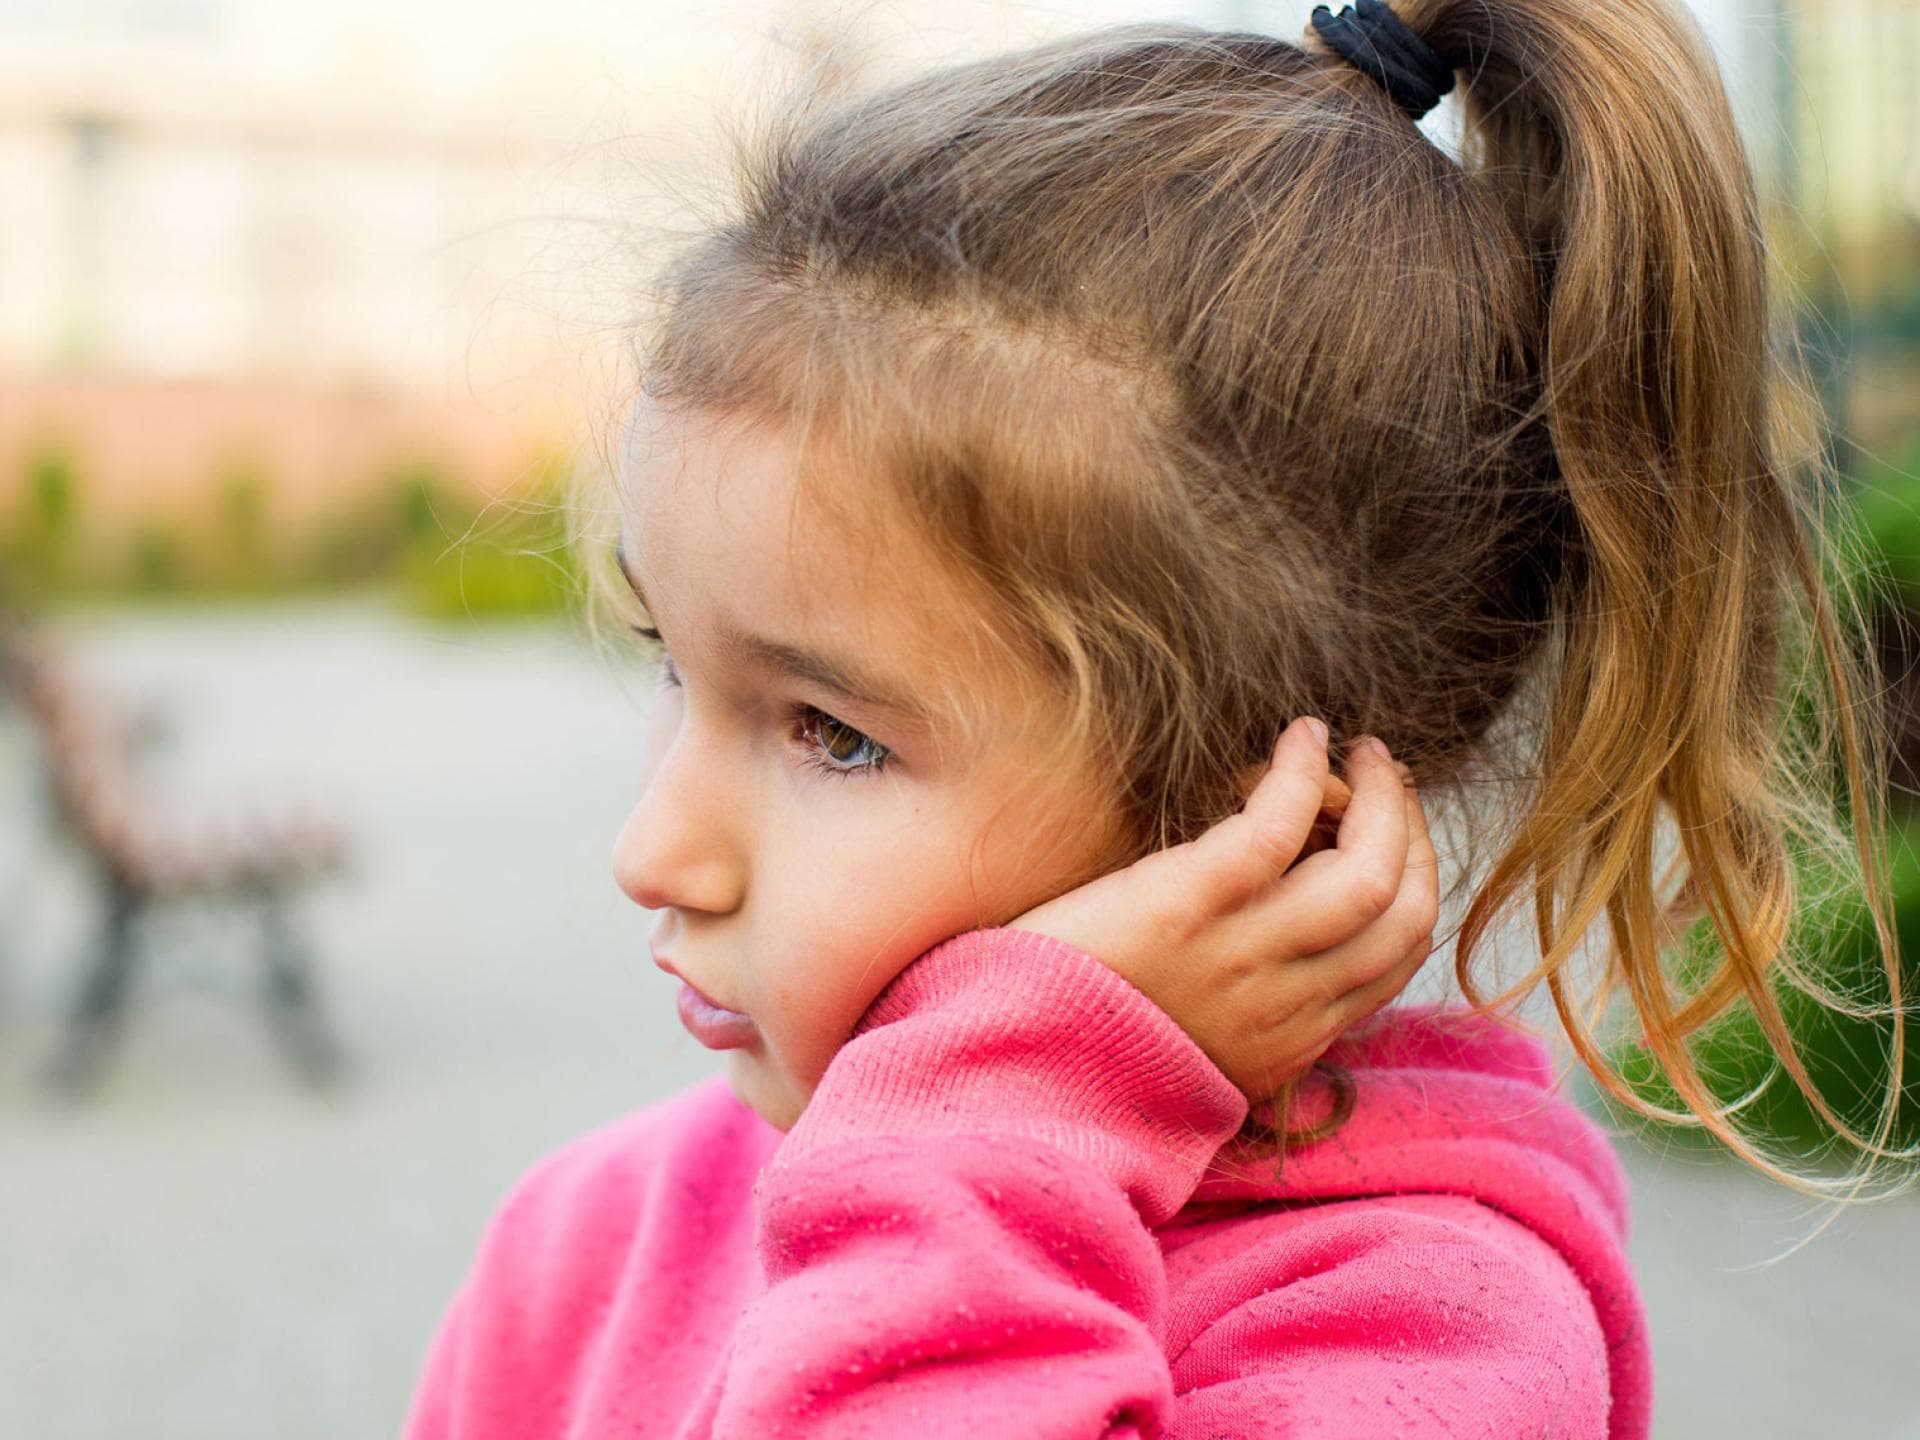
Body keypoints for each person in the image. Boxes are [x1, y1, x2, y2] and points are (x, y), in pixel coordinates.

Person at [401, 1, 1912, 1435]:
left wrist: (1014, 1106)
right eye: (671, 657)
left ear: (1272, 824)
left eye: (833, 733)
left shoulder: (1419, 1334)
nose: (654, 852)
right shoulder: (585, 1245)